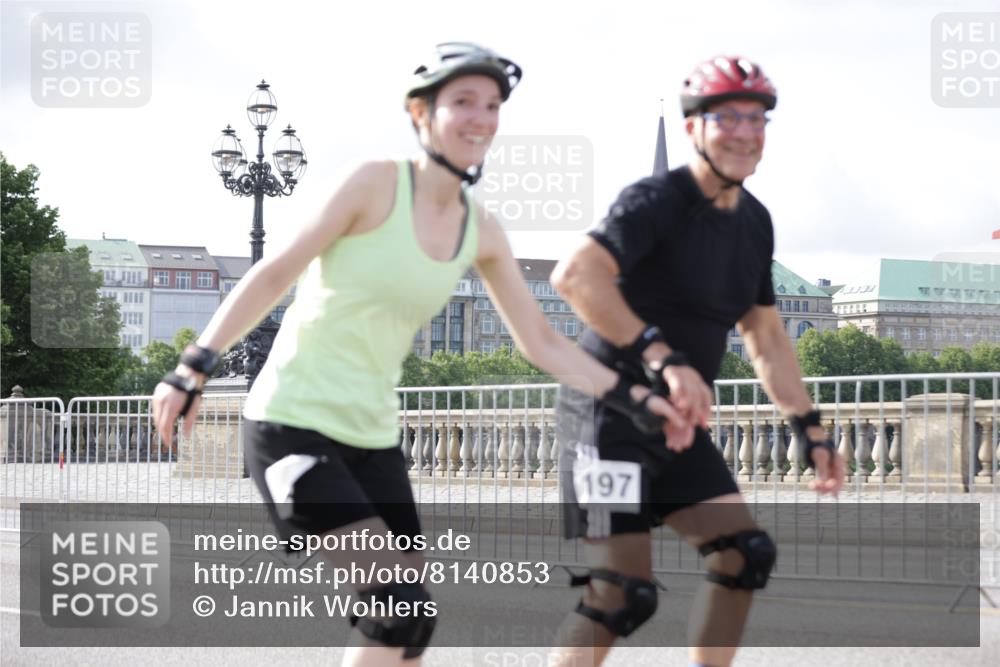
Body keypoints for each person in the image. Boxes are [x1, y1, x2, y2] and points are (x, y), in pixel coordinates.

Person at [151, 43, 690, 667]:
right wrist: (193, 365)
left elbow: (541, 341)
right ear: (421, 112)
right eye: (463, 101)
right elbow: (275, 272)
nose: (480, 118)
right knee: (397, 605)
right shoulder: (374, 184)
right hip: (292, 421)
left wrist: (637, 397)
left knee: (411, 619)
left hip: (373, 438)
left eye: (492, 106)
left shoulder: (480, 229)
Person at [547, 55, 847, 667]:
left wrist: (809, 427)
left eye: (758, 118)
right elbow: (574, 275)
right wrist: (664, 357)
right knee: (620, 593)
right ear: (694, 129)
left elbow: (765, 336)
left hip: (674, 427)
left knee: (744, 553)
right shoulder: (656, 200)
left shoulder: (754, 222)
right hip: (608, 419)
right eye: (727, 117)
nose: (745, 131)